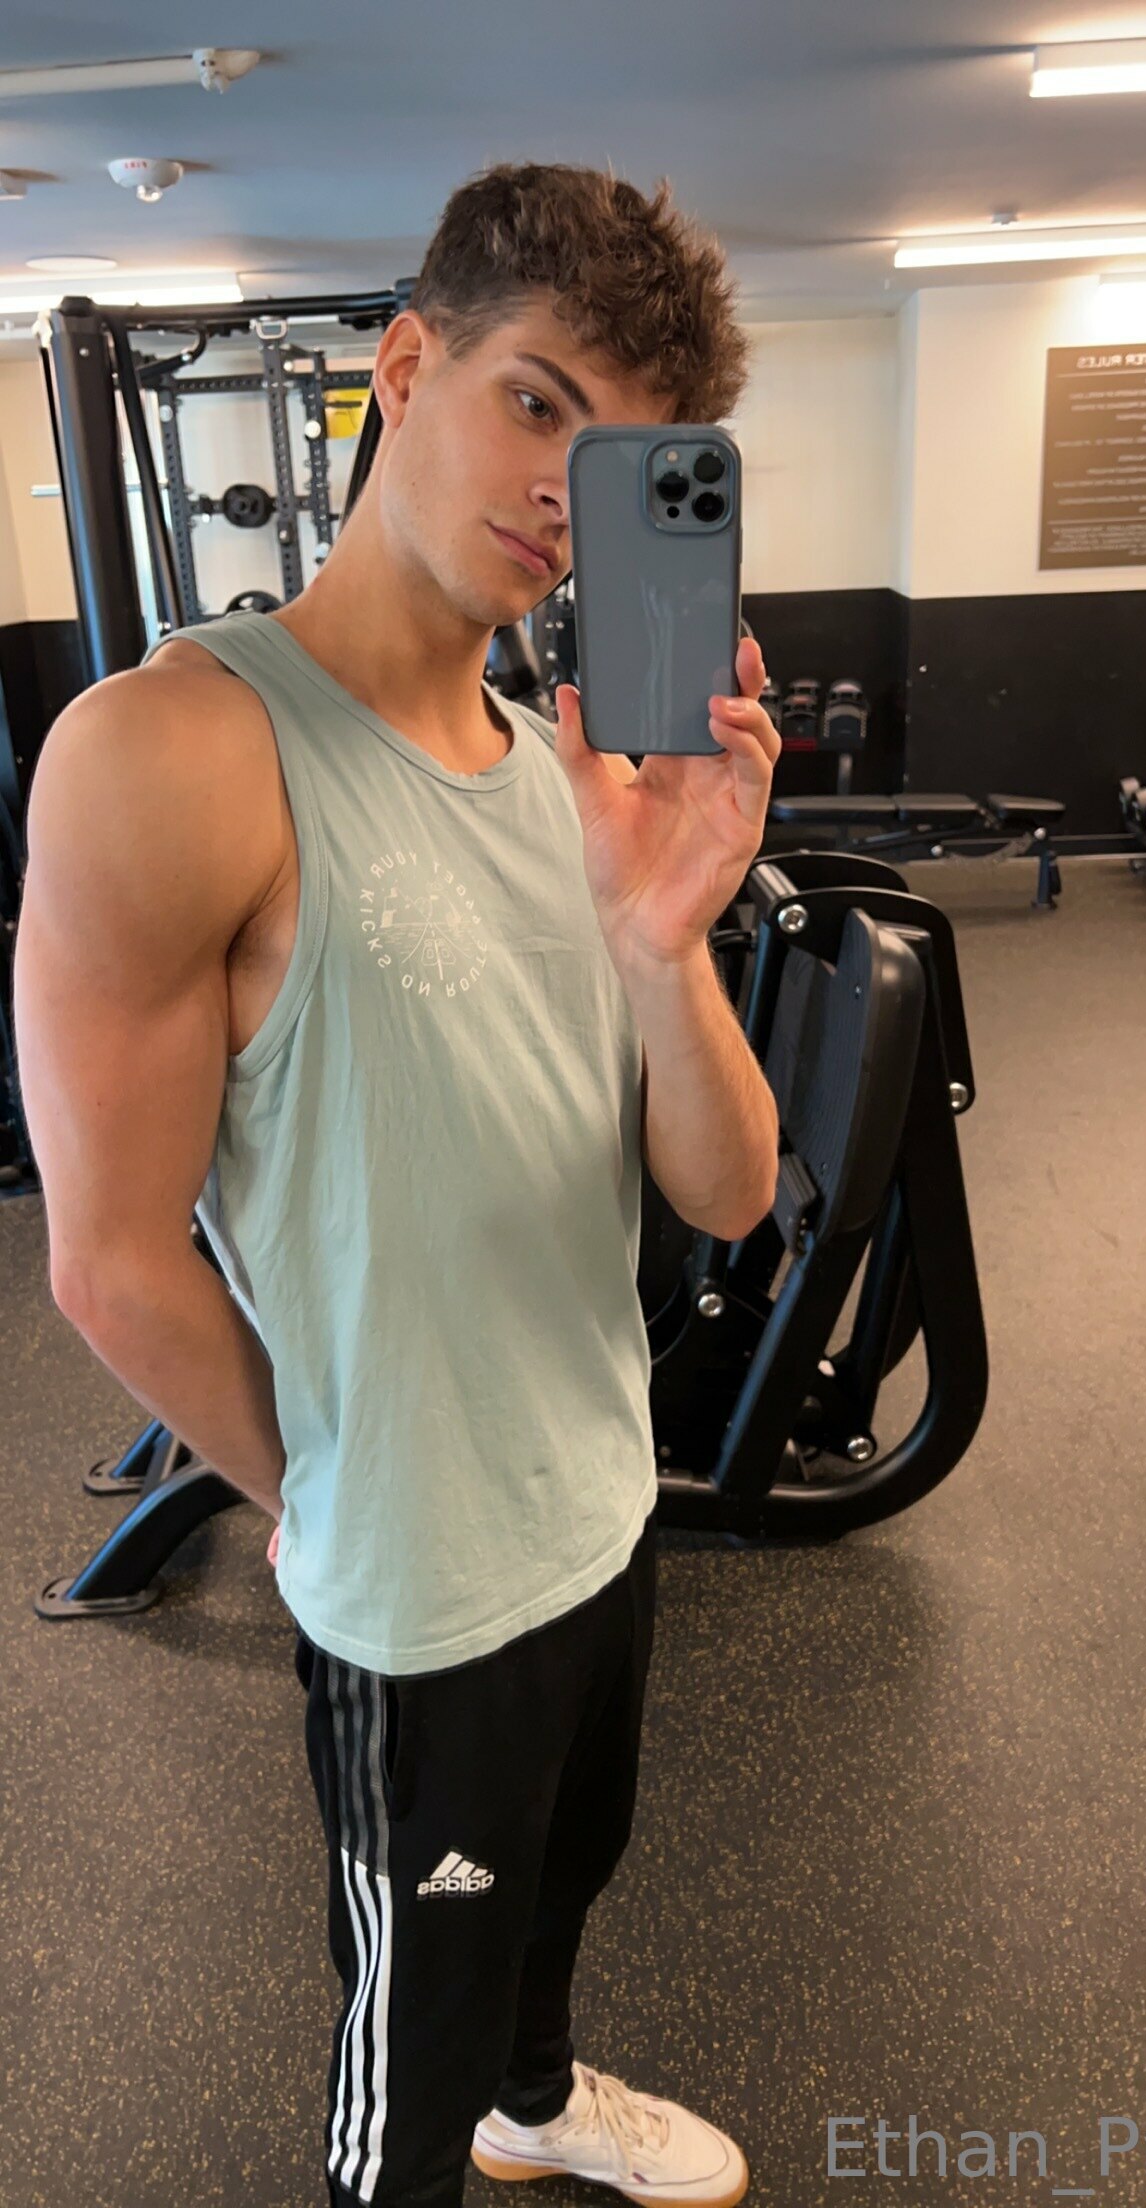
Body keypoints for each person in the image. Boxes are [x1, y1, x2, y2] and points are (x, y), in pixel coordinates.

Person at [15, 160, 781, 2207]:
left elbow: (724, 1200)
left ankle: (540, 2097)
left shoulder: (568, 780)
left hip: (599, 1501)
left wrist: (665, 940)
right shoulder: (171, 754)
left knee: (562, 1888)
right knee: (407, 2041)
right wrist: (319, 1492)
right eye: (536, 403)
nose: (558, 492)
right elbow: (108, 1259)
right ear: (410, 363)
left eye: (614, 462)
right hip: (421, 1584)